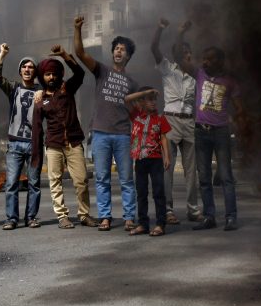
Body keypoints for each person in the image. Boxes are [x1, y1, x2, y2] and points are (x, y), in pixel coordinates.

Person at [73, 15, 139, 231]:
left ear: (128, 56)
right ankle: (105, 217)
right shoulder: (102, 70)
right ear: (112, 53)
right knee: (102, 178)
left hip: (123, 134)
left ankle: (129, 217)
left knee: (127, 179)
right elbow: (80, 53)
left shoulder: (132, 83)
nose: (118, 51)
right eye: (116, 48)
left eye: (123, 49)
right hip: (101, 133)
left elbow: (137, 112)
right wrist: (77, 29)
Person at [31, 43, 99, 229]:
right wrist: (36, 153)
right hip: (53, 145)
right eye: (47, 74)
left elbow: (80, 74)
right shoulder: (40, 99)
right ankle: (62, 216)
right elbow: (37, 128)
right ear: (43, 76)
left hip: (74, 142)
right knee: (55, 182)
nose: (51, 76)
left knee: (81, 181)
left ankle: (84, 215)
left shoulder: (67, 88)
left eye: (54, 73)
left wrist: (64, 54)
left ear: (59, 74)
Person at [178, 41, 244, 231]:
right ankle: (209, 216)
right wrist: (181, 35)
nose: (205, 62)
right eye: (204, 59)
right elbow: (182, 62)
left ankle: (231, 217)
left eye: (210, 59)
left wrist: (237, 120)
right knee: (204, 177)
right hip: (201, 130)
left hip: (221, 132)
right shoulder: (199, 74)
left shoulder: (230, 81)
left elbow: (239, 107)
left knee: (225, 176)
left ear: (220, 61)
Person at [150, 18, 202, 224]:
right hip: (170, 120)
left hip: (189, 122)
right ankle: (168, 209)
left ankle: (193, 209)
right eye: (183, 51)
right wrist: (161, 28)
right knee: (167, 167)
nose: (187, 54)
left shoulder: (194, 75)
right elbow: (154, 47)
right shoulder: (167, 68)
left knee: (191, 169)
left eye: (189, 52)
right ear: (177, 54)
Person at [0, 43, 43, 230]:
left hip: (35, 145)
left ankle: (31, 218)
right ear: (20, 71)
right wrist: (2, 55)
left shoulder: (41, 91)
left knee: (34, 183)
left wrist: (42, 90)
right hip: (14, 144)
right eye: (24, 66)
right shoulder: (13, 89)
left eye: (31, 67)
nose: (27, 69)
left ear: (35, 71)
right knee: (11, 183)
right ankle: (11, 218)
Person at [125, 87, 171, 236]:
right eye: (149, 99)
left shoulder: (160, 118)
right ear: (141, 102)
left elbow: (163, 137)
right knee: (141, 192)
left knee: (158, 192)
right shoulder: (136, 115)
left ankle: (160, 224)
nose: (153, 103)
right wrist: (145, 92)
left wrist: (167, 157)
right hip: (140, 160)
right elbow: (127, 100)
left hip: (156, 159)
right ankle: (143, 224)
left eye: (154, 99)